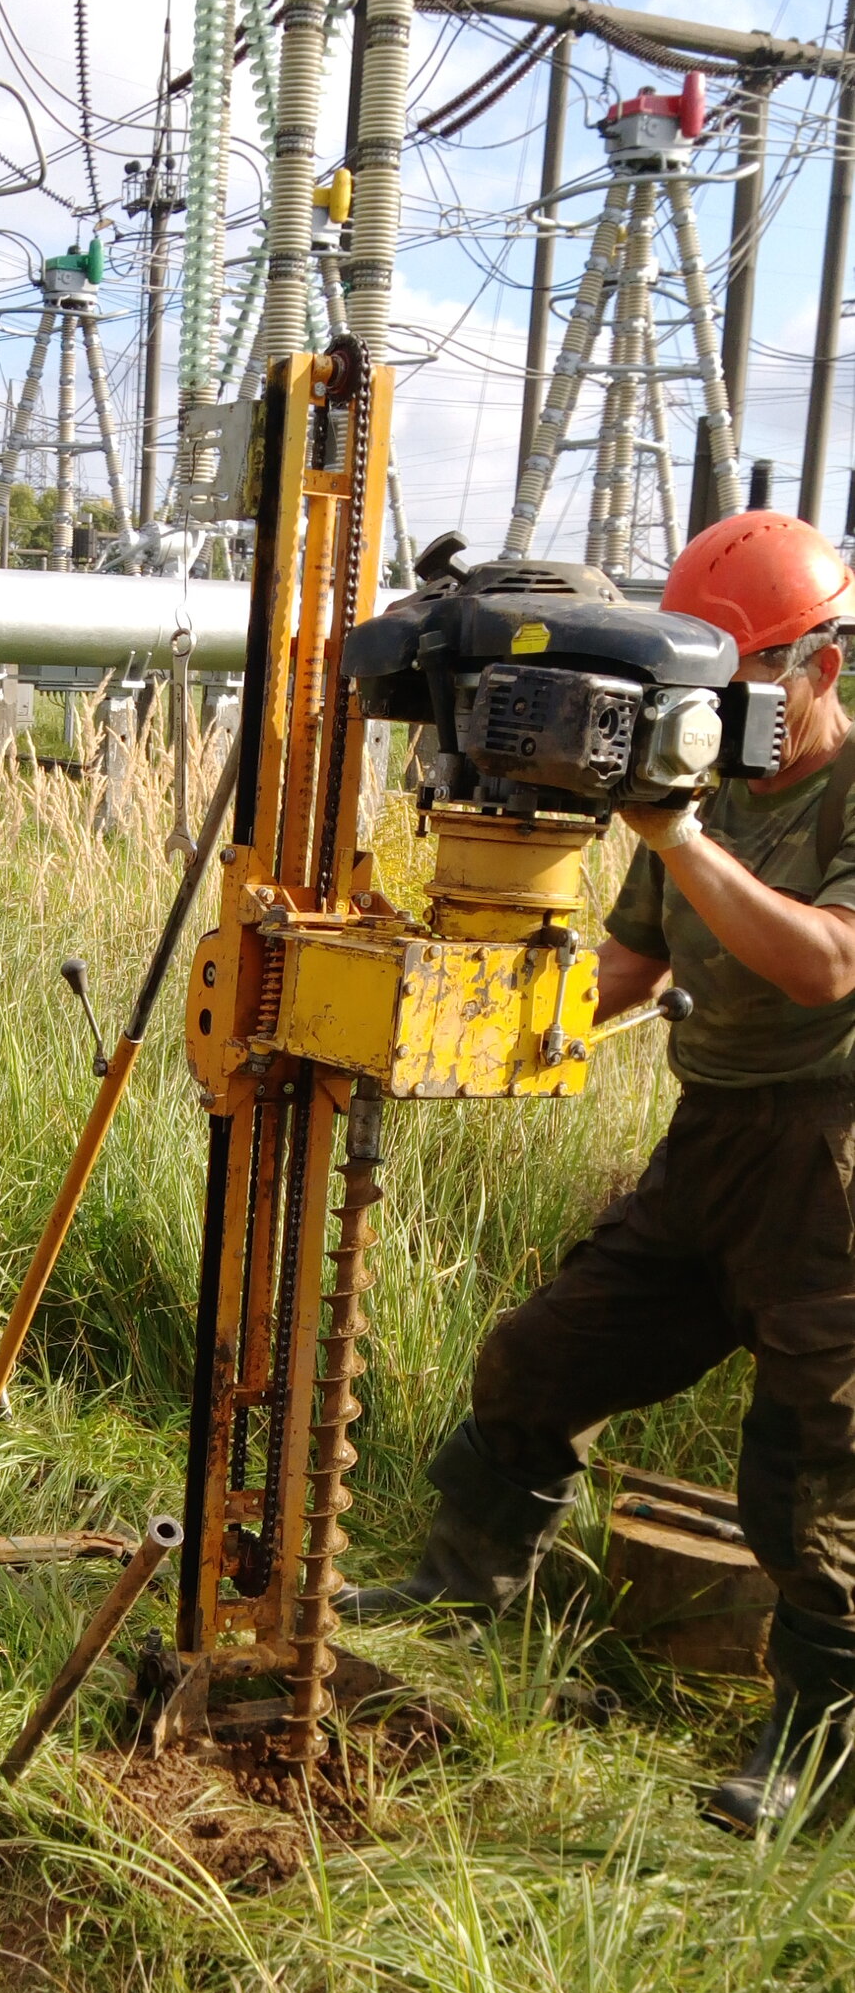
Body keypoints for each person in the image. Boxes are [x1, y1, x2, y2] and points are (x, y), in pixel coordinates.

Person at [344, 511, 855, 1835]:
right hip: (713, 1144)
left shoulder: (814, 793)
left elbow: (822, 966)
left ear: (819, 667)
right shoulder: (702, 781)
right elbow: (634, 965)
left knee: (811, 1471)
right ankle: (467, 1583)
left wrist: (678, 832)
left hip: (832, 1159)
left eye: (743, 680)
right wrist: (461, 1027)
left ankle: (812, 1742)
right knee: (540, 1354)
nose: (720, 708)